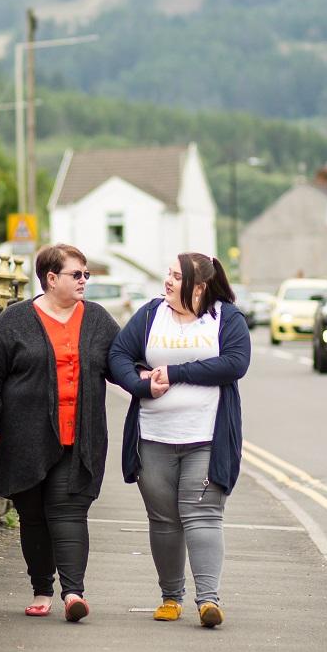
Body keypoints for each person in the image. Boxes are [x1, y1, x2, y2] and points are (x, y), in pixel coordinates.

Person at [0, 243, 119, 622]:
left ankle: (73, 594)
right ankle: (42, 588)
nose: (84, 280)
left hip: (80, 438)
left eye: (86, 274)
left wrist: (146, 380)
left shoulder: (98, 320)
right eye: (77, 274)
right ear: (51, 279)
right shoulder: (15, 320)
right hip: (26, 437)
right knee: (33, 515)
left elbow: (120, 363)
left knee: (69, 510)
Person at [109, 252, 251, 628]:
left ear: (199, 286)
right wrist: (141, 383)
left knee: (203, 515)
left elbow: (235, 362)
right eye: (168, 274)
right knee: (164, 520)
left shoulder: (226, 318)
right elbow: (118, 356)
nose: (168, 281)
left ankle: (208, 601)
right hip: (153, 436)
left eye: (176, 276)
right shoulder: (151, 314)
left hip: (207, 438)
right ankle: (171, 598)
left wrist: (175, 372)